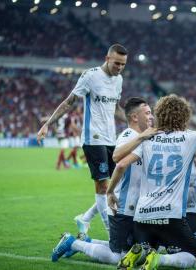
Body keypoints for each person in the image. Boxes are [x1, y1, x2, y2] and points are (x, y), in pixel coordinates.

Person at [111, 94, 196, 270]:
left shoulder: (147, 138)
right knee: (193, 257)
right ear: (185, 115)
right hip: (171, 215)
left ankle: (140, 253)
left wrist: (109, 192)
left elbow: (120, 163)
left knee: (145, 251)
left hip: (142, 215)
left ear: (159, 114)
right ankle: (159, 259)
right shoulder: (190, 138)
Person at [37, 43, 128, 233]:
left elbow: (116, 108)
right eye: (116, 63)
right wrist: (48, 124)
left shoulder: (118, 80)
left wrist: (136, 123)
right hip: (93, 138)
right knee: (103, 187)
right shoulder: (90, 76)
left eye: (123, 65)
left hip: (112, 139)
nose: (119, 68)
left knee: (116, 187)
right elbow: (69, 102)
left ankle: (85, 218)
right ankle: (111, 233)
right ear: (107, 58)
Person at [51, 97, 154, 264]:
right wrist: (111, 192)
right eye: (148, 113)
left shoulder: (141, 137)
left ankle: (86, 241)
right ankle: (73, 243)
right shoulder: (129, 136)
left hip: (134, 206)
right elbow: (118, 158)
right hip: (121, 207)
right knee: (119, 257)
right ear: (135, 117)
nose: (151, 116)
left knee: (130, 250)